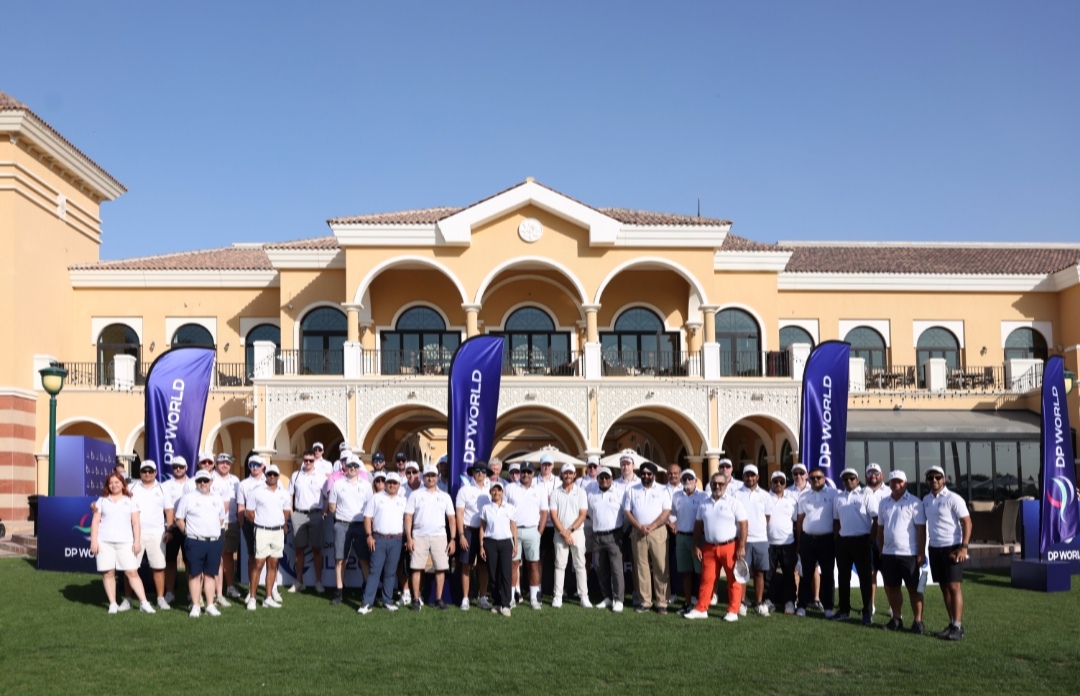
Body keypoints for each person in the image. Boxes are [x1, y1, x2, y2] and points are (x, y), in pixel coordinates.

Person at [684, 470, 748, 622]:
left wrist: (741, 546)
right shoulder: (704, 504)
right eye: (714, 484)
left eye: (720, 484)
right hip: (709, 547)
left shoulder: (734, 502)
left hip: (730, 546)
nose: (717, 486)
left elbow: (744, 525)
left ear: (726, 485)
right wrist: (696, 545)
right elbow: (698, 526)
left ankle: (733, 610)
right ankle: (701, 608)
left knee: (733, 580)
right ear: (710, 485)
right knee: (707, 579)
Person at [90, 472, 156, 614]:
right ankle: (113, 604)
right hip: (105, 542)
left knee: (132, 572)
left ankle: (144, 602)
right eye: (111, 483)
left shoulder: (131, 501)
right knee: (108, 573)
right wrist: (94, 541)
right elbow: (95, 523)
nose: (114, 485)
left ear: (123, 484)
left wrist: (137, 541)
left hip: (126, 542)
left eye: (117, 482)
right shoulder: (101, 501)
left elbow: (136, 523)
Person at [922, 465, 972, 640]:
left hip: (952, 546)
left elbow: (967, 522)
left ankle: (957, 626)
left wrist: (963, 547)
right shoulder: (926, 500)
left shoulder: (953, 498)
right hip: (935, 548)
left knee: (954, 586)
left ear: (944, 479)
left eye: (937, 477)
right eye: (930, 478)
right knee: (944, 587)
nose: (934, 481)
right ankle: (952, 624)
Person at [874, 470, 926, 634]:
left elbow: (921, 530)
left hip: (909, 553)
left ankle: (918, 622)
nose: (896, 484)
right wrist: (881, 549)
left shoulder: (915, 502)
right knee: (892, 587)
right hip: (889, 553)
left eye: (899, 481)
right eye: (893, 482)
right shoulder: (884, 503)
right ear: (889, 484)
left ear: (905, 483)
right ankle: (896, 619)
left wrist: (920, 552)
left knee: (914, 589)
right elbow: (880, 529)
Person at [404, 465, 456, 611]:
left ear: (437, 477)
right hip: (419, 536)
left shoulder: (444, 496)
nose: (430, 478)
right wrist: (409, 537)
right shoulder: (415, 495)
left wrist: (453, 539)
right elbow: (408, 517)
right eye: (428, 475)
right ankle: (415, 599)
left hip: (440, 536)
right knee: (416, 568)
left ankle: (438, 599)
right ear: (423, 477)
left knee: (441, 568)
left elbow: (451, 519)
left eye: (433, 475)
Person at [175, 470, 226, 617]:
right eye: (200, 481)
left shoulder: (217, 498)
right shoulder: (188, 498)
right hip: (195, 541)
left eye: (205, 480)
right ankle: (196, 605)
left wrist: (212, 531)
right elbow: (179, 519)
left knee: (210, 574)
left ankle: (210, 605)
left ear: (211, 481)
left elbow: (221, 518)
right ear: (196, 482)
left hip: (214, 541)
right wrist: (188, 533)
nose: (203, 483)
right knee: (195, 574)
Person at [624, 461, 672, 614]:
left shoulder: (663, 490)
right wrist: (639, 526)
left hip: (657, 531)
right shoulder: (632, 490)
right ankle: (645, 601)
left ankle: (662, 602)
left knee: (661, 567)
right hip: (638, 531)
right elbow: (627, 512)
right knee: (641, 567)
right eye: (643, 474)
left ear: (654, 475)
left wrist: (653, 525)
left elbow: (666, 511)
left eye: (648, 474)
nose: (645, 476)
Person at [357, 472, 408, 614]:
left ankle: (387, 600)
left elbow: (408, 519)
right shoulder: (376, 498)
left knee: (391, 572)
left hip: (396, 539)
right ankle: (367, 602)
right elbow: (367, 518)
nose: (392, 485)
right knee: (374, 571)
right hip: (378, 539)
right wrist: (369, 536)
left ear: (399, 485)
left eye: (395, 483)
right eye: (389, 482)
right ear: (385, 484)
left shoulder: (403, 500)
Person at [327, 454, 373, 605]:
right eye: (350, 466)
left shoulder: (366, 485)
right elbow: (332, 506)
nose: (352, 468)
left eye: (355, 466)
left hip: (360, 525)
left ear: (359, 468)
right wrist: (342, 516)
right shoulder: (338, 484)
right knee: (340, 559)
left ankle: (367, 589)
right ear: (345, 467)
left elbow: (370, 507)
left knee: (364, 559)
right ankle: (339, 591)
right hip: (341, 524)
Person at [127, 460, 172, 610]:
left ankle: (160, 598)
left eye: (150, 471)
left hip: (157, 533)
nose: (147, 474)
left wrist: (169, 530)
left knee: (158, 568)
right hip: (134, 534)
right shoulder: (131, 487)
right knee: (130, 567)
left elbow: (169, 511)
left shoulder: (163, 489)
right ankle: (128, 599)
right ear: (140, 472)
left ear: (156, 472)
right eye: (144, 471)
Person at [833, 467, 876, 625]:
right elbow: (836, 521)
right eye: (845, 479)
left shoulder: (865, 494)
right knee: (843, 577)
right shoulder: (838, 497)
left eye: (852, 478)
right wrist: (837, 540)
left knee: (865, 578)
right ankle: (844, 610)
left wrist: (870, 540)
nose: (848, 481)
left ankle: (867, 611)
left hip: (862, 540)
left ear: (857, 480)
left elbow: (876, 519)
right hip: (844, 541)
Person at [246, 464, 292, 610]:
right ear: (266, 475)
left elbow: (286, 512)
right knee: (258, 564)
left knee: (273, 565)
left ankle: (268, 598)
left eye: (275, 474)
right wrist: (260, 523)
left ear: (278, 476)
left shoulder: (283, 493)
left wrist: (279, 522)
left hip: (277, 532)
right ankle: (252, 598)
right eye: (270, 474)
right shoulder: (256, 492)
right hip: (262, 531)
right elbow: (249, 513)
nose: (272, 477)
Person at [795, 466, 838, 618]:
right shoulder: (803, 496)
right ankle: (802, 605)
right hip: (808, 539)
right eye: (812, 478)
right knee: (805, 574)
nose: (815, 480)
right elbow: (800, 521)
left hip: (827, 540)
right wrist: (799, 542)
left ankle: (828, 607)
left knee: (827, 575)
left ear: (824, 479)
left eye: (818, 477)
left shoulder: (834, 494)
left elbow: (837, 519)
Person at [505, 462, 549, 609]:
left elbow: (544, 513)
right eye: (523, 471)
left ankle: (534, 598)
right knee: (513, 565)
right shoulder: (510, 488)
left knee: (534, 564)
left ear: (533, 473)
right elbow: (505, 510)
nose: (525, 474)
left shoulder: (540, 489)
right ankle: (511, 597)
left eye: (528, 472)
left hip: (532, 530)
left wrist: (539, 532)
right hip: (514, 530)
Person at [549, 463, 591, 608]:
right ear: (561, 475)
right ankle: (558, 596)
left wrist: (570, 531)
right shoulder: (555, 492)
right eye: (565, 473)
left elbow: (583, 515)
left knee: (580, 565)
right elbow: (553, 516)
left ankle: (584, 596)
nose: (568, 475)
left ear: (575, 475)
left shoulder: (581, 492)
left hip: (577, 533)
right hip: (560, 533)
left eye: (570, 473)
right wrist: (564, 533)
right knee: (560, 565)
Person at [587, 466, 626, 612]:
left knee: (616, 569)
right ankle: (608, 597)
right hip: (598, 535)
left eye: (607, 477)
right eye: (601, 478)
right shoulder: (592, 494)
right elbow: (591, 513)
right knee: (600, 568)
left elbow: (625, 513)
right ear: (597, 479)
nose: (604, 480)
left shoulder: (619, 493)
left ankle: (619, 599)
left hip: (614, 535)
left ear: (611, 479)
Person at [734, 464, 771, 616]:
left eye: (752, 475)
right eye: (747, 475)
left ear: (757, 477)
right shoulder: (736, 494)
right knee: (742, 572)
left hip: (761, 539)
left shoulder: (765, 495)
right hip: (743, 540)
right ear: (743, 477)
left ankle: (759, 602)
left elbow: (767, 517)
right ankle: (741, 602)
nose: (749, 478)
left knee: (759, 573)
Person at [455, 462, 493, 610]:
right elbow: (459, 513)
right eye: (477, 470)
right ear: (473, 473)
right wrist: (461, 535)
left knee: (483, 566)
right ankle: (465, 598)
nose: (480, 473)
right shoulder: (464, 490)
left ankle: (482, 597)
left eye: (484, 471)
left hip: (486, 532)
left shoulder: (491, 490)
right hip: (469, 531)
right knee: (466, 565)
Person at [289, 448, 327, 594]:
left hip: (316, 515)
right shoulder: (296, 475)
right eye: (306, 460)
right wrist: (292, 513)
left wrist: (324, 512)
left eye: (311, 460)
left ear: (315, 461)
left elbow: (327, 496)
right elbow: (290, 495)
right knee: (299, 550)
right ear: (302, 460)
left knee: (317, 550)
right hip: (298, 513)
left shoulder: (321, 477)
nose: (308, 463)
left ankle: (318, 582)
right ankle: (299, 582)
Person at [479, 480, 518, 617]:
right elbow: (483, 527)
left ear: (502, 492)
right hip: (490, 543)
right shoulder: (486, 508)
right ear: (490, 493)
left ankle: (506, 604)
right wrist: (481, 545)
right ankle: (497, 602)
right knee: (493, 574)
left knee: (506, 574)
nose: (496, 493)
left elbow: (513, 527)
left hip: (506, 543)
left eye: (498, 490)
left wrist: (515, 544)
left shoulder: (510, 507)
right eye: (493, 490)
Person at [671, 469, 707, 613]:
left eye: (690, 478)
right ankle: (688, 603)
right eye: (684, 478)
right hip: (681, 537)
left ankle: (701, 603)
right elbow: (673, 514)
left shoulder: (703, 496)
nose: (687, 481)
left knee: (701, 572)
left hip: (698, 538)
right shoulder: (676, 496)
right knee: (686, 572)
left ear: (695, 479)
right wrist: (673, 525)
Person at [764, 471, 798, 615]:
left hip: (787, 543)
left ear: (785, 484)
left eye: (781, 482)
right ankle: (768, 600)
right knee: (768, 574)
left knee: (789, 574)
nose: (778, 484)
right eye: (775, 481)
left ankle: (790, 601)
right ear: (770, 483)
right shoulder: (765, 498)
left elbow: (796, 522)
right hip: (769, 542)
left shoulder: (791, 501)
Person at [787, 461, 820, 608]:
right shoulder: (787, 491)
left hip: (809, 530)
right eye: (795, 473)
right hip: (792, 530)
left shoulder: (814, 490)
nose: (798, 476)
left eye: (801, 473)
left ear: (806, 475)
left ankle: (816, 598)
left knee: (814, 566)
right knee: (795, 565)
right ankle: (795, 598)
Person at [235, 454, 267, 603]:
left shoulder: (270, 481)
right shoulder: (243, 484)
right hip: (250, 524)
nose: (254, 467)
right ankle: (251, 588)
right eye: (252, 465)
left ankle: (271, 589)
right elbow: (241, 506)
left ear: (263, 467)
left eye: (257, 465)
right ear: (249, 467)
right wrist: (243, 524)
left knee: (269, 557)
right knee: (252, 557)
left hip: (268, 525)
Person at [161, 455, 190, 605]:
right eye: (175, 467)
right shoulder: (165, 485)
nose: (178, 469)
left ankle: (191, 593)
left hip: (189, 526)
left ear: (186, 468)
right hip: (171, 527)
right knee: (170, 561)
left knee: (189, 561)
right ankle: (169, 592)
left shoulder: (193, 483)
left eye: (180, 466)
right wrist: (169, 528)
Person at [213, 453, 242, 603]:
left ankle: (229, 586)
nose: (225, 465)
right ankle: (214, 590)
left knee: (229, 555)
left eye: (227, 463)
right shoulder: (210, 478)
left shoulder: (236, 481)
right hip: (212, 523)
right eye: (222, 462)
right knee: (215, 557)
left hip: (231, 522)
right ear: (216, 464)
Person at [864, 462, 890, 612]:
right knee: (871, 573)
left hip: (885, 538)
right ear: (865, 476)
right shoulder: (862, 491)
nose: (873, 476)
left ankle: (892, 606)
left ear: (882, 475)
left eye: (876, 473)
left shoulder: (889, 491)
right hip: (868, 538)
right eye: (870, 473)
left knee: (888, 575)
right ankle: (871, 605)